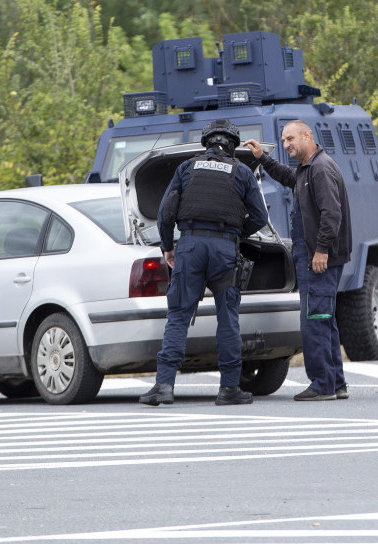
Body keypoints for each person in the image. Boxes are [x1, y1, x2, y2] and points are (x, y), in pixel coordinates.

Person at [139, 119, 268, 407]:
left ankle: (163, 386)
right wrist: (235, 233)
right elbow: (260, 217)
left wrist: (168, 247)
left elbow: (165, 213)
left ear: (206, 142)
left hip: (190, 247)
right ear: (233, 145)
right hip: (224, 249)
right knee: (227, 319)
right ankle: (229, 389)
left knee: (179, 317)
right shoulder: (243, 172)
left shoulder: (187, 168)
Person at [243, 121, 352, 401]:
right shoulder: (307, 169)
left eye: (291, 138)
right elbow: (288, 176)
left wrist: (321, 250)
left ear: (307, 136)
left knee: (314, 318)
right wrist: (262, 159)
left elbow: (331, 214)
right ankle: (335, 382)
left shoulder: (321, 168)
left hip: (319, 257)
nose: (286, 143)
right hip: (314, 253)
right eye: (283, 139)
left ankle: (322, 384)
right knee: (324, 318)